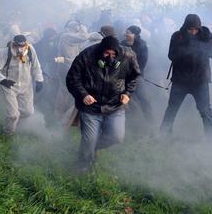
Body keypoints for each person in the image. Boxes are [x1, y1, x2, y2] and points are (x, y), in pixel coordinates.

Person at [66, 36, 141, 172]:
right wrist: (84, 95)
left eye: (113, 54)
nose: (110, 57)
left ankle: (91, 148)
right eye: (106, 53)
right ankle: (83, 165)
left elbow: (134, 77)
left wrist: (128, 93)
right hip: (90, 106)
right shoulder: (86, 56)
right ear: (101, 51)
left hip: (115, 105)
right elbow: (72, 78)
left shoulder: (128, 55)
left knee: (117, 137)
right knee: (89, 139)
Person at [160, 14, 212, 137]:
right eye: (190, 29)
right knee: (172, 109)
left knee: (205, 111)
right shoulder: (177, 36)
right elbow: (171, 55)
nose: (193, 32)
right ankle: (163, 137)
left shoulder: (205, 36)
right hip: (180, 81)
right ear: (185, 27)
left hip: (200, 81)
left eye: (196, 29)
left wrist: (206, 44)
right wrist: (187, 46)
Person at [0, 34, 44, 135]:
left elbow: (36, 66)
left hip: (26, 86)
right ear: (13, 44)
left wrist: (39, 80)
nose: (19, 49)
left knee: (28, 112)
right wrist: (3, 80)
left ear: (25, 45)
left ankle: (16, 124)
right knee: (13, 115)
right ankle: (7, 134)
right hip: (9, 86)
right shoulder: (6, 53)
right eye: (17, 46)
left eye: (22, 46)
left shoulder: (31, 50)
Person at [121, 25, 153, 127]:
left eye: (129, 32)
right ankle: (129, 123)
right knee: (124, 99)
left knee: (144, 99)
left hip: (136, 77)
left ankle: (150, 122)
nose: (126, 34)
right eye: (126, 32)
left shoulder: (142, 45)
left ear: (135, 35)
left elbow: (143, 62)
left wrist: (136, 73)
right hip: (122, 77)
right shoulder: (121, 44)